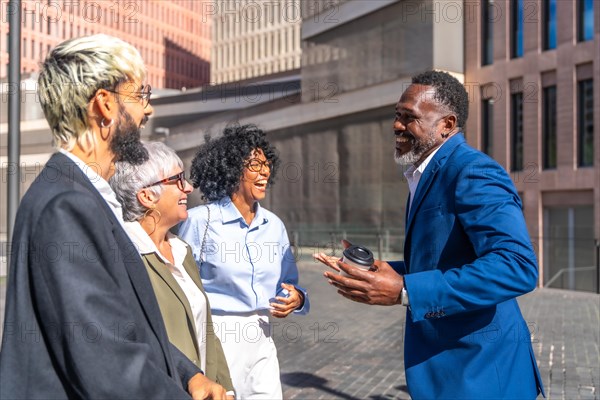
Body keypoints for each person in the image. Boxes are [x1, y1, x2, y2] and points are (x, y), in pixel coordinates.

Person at [0, 35, 226, 400]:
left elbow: (127, 325)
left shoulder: (86, 196)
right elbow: (109, 368)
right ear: (105, 105)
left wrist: (189, 375)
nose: (147, 111)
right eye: (140, 96)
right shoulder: (66, 206)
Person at [314, 70, 545, 399]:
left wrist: (406, 291)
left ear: (446, 125)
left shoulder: (473, 171)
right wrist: (382, 272)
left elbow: (517, 267)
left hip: (482, 374)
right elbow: (445, 260)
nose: (396, 125)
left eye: (409, 117)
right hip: (447, 373)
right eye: (397, 115)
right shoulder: (422, 174)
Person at [178, 124, 310, 399]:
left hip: (262, 335)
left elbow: (289, 284)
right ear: (232, 169)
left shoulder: (274, 225)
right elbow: (181, 287)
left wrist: (296, 298)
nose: (264, 171)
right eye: (254, 165)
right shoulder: (200, 221)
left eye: (267, 164)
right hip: (217, 337)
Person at [110, 141, 235, 399]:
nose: (188, 187)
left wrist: (226, 389)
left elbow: (207, 331)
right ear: (147, 196)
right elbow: (132, 342)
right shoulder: (122, 258)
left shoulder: (182, 250)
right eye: (177, 180)